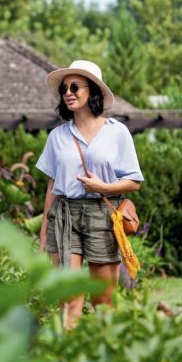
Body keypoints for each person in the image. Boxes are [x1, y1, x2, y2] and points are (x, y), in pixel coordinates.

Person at [37, 60, 143, 329]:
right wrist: (43, 232)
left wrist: (104, 188)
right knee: (68, 297)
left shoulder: (117, 132)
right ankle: (67, 361)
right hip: (64, 215)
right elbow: (52, 185)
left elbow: (134, 182)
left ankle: (104, 358)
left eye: (75, 87)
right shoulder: (57, 137)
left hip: (102, 215)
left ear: (92, 91)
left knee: (103, 300)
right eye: (64, 89)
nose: (68, 93)